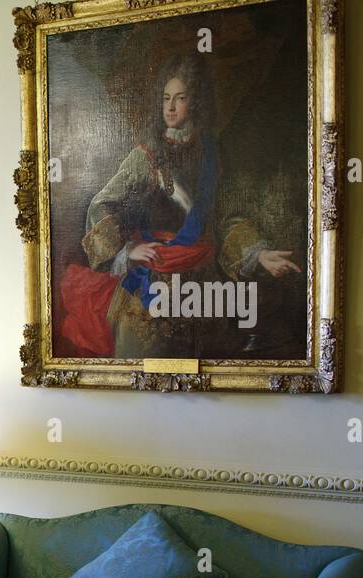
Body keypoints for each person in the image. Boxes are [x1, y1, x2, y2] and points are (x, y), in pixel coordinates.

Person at [55, 55, 301, 360]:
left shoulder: (215, 156)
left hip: (205, 289)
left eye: (180, 99)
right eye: (166, 98)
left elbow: (226, 221)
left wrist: (256, 253)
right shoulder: (145, 157)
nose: (170, 107)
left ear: (195, 103)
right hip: (152, 288)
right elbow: (101, 204)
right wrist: (126, 249)